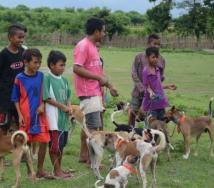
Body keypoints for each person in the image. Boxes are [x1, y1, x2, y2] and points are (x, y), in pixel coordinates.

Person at [73, 17, 119, 163]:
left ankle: (84, 156)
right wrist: (99, 79)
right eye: (103, 31)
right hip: (88, 93)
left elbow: (97, 72)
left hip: (95, 93)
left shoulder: (93, 47)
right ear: (97, 31)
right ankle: (93, 162)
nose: (104, 34)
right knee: (94, 130)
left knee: (90, 126)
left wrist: (109, 86)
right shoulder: (83, 46)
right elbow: (76, 68)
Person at [11, 48, 52, 179]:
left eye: (39, 62)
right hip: (26, 116)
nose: (38, 65)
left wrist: (42, 104)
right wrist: (20, 115)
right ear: (26, 62)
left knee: (44, 141)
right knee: (26, 143)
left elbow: (45, 95)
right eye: (35, 62)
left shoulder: (41, 76)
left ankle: (40, 170)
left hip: (40, 116)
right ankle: (30, 170)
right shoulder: (19, 78)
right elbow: (15, 98)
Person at [128, 34, 176, 127]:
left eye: (159, 44)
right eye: (155, 44)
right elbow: (134, 74)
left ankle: (154, 136)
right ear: (148, 44)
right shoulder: (139, 57)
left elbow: (160, 78)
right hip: (138, 92)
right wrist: (142, 88)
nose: (157, 46)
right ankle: (130, 134)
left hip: (154, 95)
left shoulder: (161, 59)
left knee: (154, 118)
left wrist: (163, 86)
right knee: (132, 114)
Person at [0, 23, 27, 135]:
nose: (21, 40)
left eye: (23, 37)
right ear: (10, 37)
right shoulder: (3, 54)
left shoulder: (23, 52)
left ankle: (15, 147)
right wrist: (4, 86)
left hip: (19, 96)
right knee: (3, 124)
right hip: (5, 97)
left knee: (18, 122)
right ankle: (0, 146)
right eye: (19, 37)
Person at [43, 50, 73, 178]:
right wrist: (62, 107)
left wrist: (69, 107)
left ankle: (59, 169)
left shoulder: (64, 81)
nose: (63, 68)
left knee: (62, 145)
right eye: (61, 65)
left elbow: (68, 97)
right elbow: (47, 98)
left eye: (64, 65)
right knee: (55, 146)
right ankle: (56, 171)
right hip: (53, 119)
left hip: (63, 119)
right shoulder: (47, 79)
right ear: (51, 65)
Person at [142, 47, 176, 121]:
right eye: (153, 57)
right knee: (151, 129)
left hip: (160, 103)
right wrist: (151, 92)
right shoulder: (146, 71)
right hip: (151, 104)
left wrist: (167, 86)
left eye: (157, 57)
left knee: (161, 125)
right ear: (147, 58)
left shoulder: (157, 69)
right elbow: (147, 86)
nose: (155, 59)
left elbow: (157, 86)